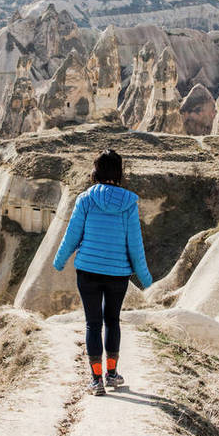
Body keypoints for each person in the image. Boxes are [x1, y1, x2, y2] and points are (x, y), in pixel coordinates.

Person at [52, 149, 152, 396]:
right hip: (118, 274)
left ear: (96, 171)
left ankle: (96, 380)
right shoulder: (129, 203)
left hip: (88, 271)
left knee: (93, 324)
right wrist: (146, 278)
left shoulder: (85, 199)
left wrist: (59, 260)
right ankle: (111, 373)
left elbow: (72, 235)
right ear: (119, 173)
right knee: (112, 322)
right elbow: (134, 244)